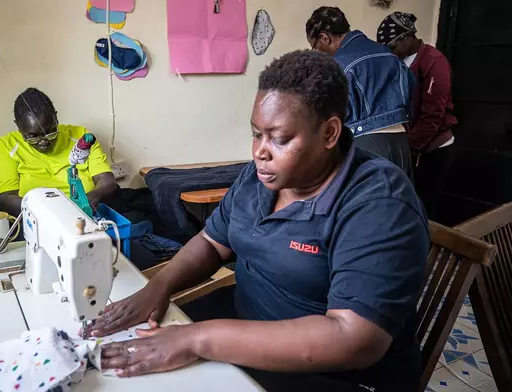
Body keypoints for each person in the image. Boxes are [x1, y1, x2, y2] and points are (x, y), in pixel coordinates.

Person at [85, 50, 429, 392]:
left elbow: (354, 339)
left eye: (279, 139)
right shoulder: (260, 177)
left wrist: (197, 339)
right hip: (243, 325)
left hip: (332, 372)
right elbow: (210, 242)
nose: (259, 152)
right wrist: (158, 288)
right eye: (256, 134)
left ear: (329, 134)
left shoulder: (379, 201)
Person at [305, 6, 415, 181]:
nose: (318, 54)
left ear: (324, 38)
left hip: (367, 146)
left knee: (370, 205)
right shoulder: (389, 55)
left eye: (315, 48)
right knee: (398, 204)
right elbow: (412, 99)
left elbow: (334, 119)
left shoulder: (340, 66)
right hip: (401, 144)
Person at [0, 88, 118, 217]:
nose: (43, 142)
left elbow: (107, 180)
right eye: (33, 137)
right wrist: (48, 214)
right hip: (36, 218)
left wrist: (90, 199)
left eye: (50, 132)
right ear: (18, 126)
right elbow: (5, 198)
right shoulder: (6, 146)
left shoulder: (81, 138)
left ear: (56, 118)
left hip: (86, 214)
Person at [377, 12, 458, 220]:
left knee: (426, 209)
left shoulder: (434, 62)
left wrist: (408, 150)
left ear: (407, 38)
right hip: (410, 147)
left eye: (392, 47)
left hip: (433, 150)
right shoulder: (398, 62)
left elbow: (432, 117)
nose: (390, 53)